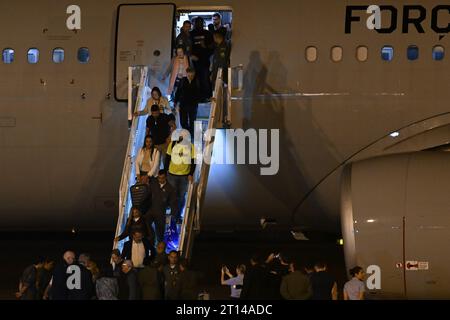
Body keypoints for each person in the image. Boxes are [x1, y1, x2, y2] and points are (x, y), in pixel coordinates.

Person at [164, 129, 196, 224]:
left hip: (184, 176)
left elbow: (194, 161)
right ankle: (174, 215)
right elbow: (167, 158)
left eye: (184, 137)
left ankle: (178, 216)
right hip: (172, 175)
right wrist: (165, 171)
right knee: (173, 197)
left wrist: (191, 174)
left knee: (181, 197)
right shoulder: (173, 144)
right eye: (181, 136)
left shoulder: (191, 147)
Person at [148, 171, 178, 243]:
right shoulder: (153, 184)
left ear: (166, 177)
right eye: (159, 178)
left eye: (162, 178)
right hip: (151, 211)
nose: (161, 180)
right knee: (145, 224)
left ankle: (160, 246)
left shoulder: (170, 188)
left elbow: (173, 203)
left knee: (160, 233)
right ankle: (151, 240)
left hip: (161, 213)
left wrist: (173, 215)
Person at [190, 16, 213, 101]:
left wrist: (205, 47)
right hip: (193, 62)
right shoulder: (191, 34)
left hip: (204, 61)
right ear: (194, 23)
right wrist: (190, 55)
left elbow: (212, 47)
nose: (199, 24)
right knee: (194, 80)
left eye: (200, 22)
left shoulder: (207, 33)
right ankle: (196, 97)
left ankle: (206, 97)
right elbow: (187, 47)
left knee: (205, 79)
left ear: (203, 23)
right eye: (197, 22)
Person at [174, 67, 201, 137]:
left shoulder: (197, 81)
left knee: (192, 122)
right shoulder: (182, 80)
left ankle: (192, 136)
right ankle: (186, 135)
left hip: (193, 105)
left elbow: (199, 93)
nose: (191, 77)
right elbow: (178, 92)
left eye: (192, 75)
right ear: (186, 74)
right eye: (189, 75)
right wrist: (175, 102)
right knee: (183, 121)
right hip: (183, 104)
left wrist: (207, 98)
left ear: (194, 74)